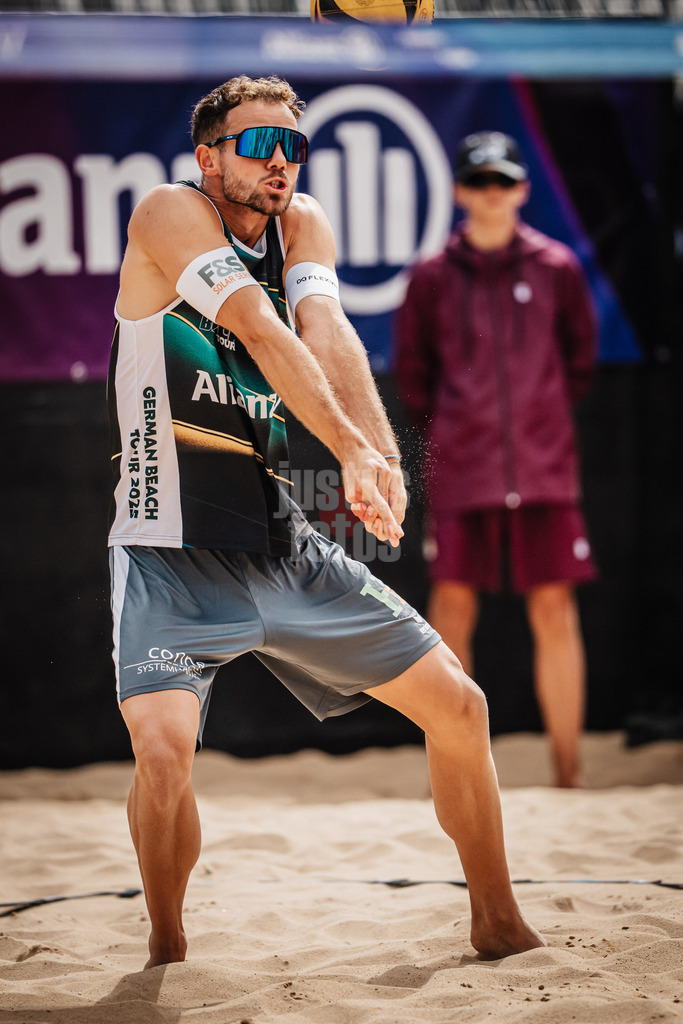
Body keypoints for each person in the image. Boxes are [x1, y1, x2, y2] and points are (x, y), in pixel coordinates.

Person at [107, 79, 544, 969]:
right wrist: (345, 450)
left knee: (461, 707)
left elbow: (326, 327)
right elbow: (263, 330)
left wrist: (378, 457)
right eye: (258, 142)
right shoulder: (167, 212)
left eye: (292, 146)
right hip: (167, 548)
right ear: (208, 156)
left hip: (279, 543)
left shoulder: (300, 224)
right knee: (163, 755)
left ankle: (497, 918)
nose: (277, 160)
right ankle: (166, 947)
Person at [395, 131, 597, 790]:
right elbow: (414, 379)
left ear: (521, 189)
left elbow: (578, 363)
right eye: (479, 181)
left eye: (502, 181)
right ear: (458, 190)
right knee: (450, 609)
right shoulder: (428, 278)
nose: (491, 194)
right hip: (465, 470)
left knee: (554, 609)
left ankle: (567, 776)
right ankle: (454, 775)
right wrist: (468, 430)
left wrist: (531, 426)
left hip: (542, 469)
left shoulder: (555, 267)